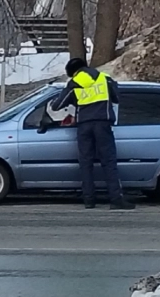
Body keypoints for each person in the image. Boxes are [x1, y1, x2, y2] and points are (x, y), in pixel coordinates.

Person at [51, 58, 135, 210]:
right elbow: (116, 98)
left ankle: (89, 200)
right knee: (108, 162)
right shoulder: (105, 79)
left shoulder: (74, 83)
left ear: (73, 72)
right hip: (103, 124)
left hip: (84, 126)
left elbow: (58, 105)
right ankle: (116, 199)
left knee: (86, 163)